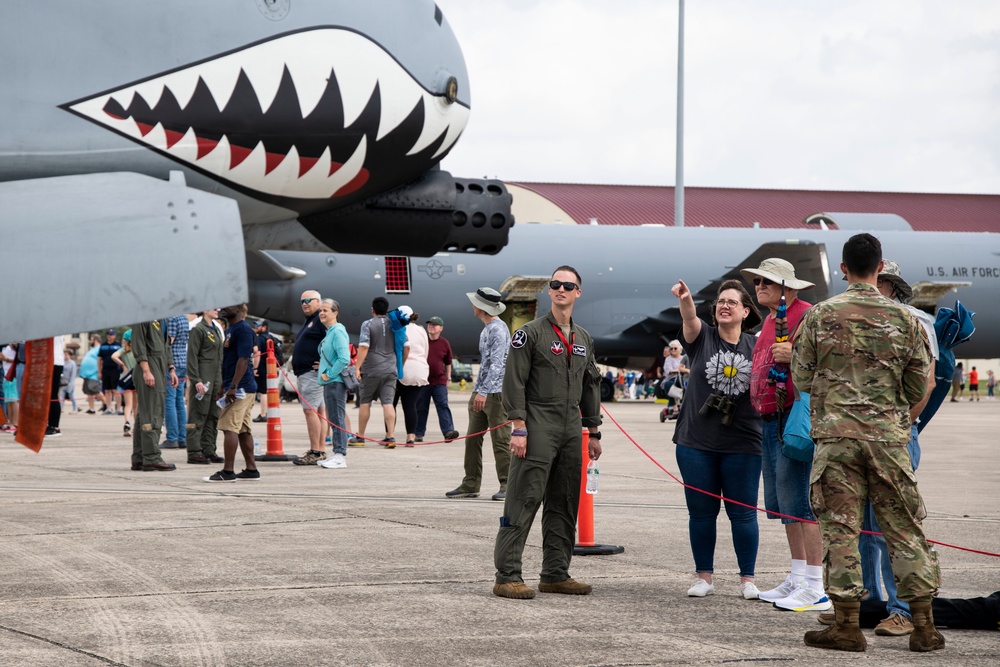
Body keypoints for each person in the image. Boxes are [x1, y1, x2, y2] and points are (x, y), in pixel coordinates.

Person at [792, 232, 943, 653]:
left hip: (837, 440)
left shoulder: (821, 315)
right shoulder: (906, 319)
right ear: (880, 268)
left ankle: (846, 627)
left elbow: (802, 377)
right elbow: (918, 385)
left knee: (840, 531)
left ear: (843, 269)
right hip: (888, 441)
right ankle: (924, 627)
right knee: (904, 529)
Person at [493, 266, 602, 600]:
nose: (561, 289)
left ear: (577, 293)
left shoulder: (583, 338)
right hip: (537, 423)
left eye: (568, 285)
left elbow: (591, 384)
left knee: (565, 501)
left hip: (571, 427)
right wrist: (519, 427)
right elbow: (514, 380)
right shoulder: (530, 333)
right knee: (525, 497)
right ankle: (507, 575)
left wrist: (594, 431)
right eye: (555, 284)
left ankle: (555, 573)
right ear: (549, 291)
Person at [739, 258, 828, 611]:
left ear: (787, 288)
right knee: (784, 505)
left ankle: (815, 584)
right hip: (770, 420)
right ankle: (797, 575)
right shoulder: (767, 322)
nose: (759, 286)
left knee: (802, 504)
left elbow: (829, 360)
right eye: (758, 281)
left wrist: (797, 355)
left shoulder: (807, 315)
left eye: (766, 282)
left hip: (792, 418)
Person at [670, 277, 763, 601]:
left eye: (732, 302)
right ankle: (704, 577)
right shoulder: (702, 338)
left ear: (746, 311)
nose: (724, 306)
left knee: (744, 513)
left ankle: (747, 580)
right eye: (720, 302)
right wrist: (685, 298)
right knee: (701, 513)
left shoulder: (757, 345)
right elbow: (689, 319)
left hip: (745, 443)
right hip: (697, 443)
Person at [446, 287, 512, 501]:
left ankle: (508, 485)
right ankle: (470, 483)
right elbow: (485, 364)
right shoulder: (487, 329)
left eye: (475, 303)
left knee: (501, 440)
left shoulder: (498, 330)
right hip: (482, 392)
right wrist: (477, 391)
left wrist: (482, 392)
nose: (472, 306)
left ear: (482, 307)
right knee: (472, 440)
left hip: (496, 393)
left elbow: (498, 365)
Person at [204, 304, 260, 482]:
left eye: (228, 305)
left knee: (229, 428)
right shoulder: (231, 329)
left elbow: (243, 359)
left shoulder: (242, 329)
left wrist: (233, 386)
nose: (222, 308)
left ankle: (227, 472)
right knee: (242, 429)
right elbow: (230, 360)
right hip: (237, 385)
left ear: (238, 308)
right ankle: (251, 470)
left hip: (241, 388)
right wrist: (223, 385)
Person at [354, 297, 405, 448]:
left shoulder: (367, 324)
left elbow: (363, 346)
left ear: (372, 310)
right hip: (390, 369)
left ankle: (361, 437)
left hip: (371, 369)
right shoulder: (395, 324)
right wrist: (400, 363)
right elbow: (405, 345)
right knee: (388, 403)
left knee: (365, 402)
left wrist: (357, 367)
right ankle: (390, 437)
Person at [130, 319, 178, 472]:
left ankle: (140, 457)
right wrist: (146, 370)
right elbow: (138, 344)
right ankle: (152, 457)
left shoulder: (162, 319)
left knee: (144, 415)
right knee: (153, 413)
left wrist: (171, 368)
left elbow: (166, 346)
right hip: (149, 366)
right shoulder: (143, 317)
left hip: (159, 366)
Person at [291, 290, 328, 465]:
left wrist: (325, 363)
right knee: (320, 411)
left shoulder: (320, 320)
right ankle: (320, 450)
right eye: (302, 301)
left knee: (310, 411)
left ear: (318, 302)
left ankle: (315, 451)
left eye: (308, 300)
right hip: (307, 373)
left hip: (311, 374)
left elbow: (334, 341)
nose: (304, 303)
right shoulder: (310, 321)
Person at [185, 308, 225, 465]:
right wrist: (196, 380)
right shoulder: (198, 329)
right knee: (198, 414)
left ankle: (208, 449)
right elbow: (192, 356)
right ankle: (194, 451)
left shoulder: (215, 328)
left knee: (213, 414)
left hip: (215, 377)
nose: (218, 310)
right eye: (214, 307)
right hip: (203, 376)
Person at [414, 316, 460, 443]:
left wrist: (448, 378)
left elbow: (448, 362)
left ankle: (448, 432)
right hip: (423, 380)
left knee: (443, 405)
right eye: (429, 324)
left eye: (434, 325)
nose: (431, 326)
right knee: (421, 407)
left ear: (441, 328)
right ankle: (418, 433)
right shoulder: (422, 341)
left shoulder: (444, 343)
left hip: (439, 380)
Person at [317, 299, 351, 468]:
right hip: (330, 382)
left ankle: (340, 455)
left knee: (337, 418)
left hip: (335, 382)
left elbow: (344, 358)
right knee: (333, 418)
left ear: (335, 313)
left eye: (325, 310)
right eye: (320, 310)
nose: (322, 313)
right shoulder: (330, 331)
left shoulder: (337, 331)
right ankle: (336, 453)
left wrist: (328, 374)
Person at [393, 307, 428, 445]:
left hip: (401, 369)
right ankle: (410, 437)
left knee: (391, 404)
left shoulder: (398, 328)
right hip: (419, 370)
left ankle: (389, 435)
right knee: (410, 405)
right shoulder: (421, 330)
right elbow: (426, 351)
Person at [162, 314, 190, 449]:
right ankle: (182, 438)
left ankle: (172, 438)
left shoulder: (172, 317)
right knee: (180, 401)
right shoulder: (184, 317)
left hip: (173, 363)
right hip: (183, 361)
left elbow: (169, 342)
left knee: (170, 401)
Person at [253, 319, 284, 423]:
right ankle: (271, 412)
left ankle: (263, 414)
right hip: (272, 369)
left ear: (264, 327)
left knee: (263, 392)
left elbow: (257, 353)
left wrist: (255, 368)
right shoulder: (271, 337)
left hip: (262, 368)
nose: (255, 327)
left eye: (258, 325)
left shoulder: (260, 339)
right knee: (270, 390)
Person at [111, 330, 137, 438]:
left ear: (126, 340)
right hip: (136, 378)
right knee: (137, 405)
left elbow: (113, 356)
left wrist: (122, 364)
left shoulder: (124, 350)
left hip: (126, 379)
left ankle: (127, 422)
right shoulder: (138, 350)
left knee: (128, 405)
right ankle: (136, 426)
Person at [97, 329, 122, 414]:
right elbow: (99, 359)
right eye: (108, 335)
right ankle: (109, 408)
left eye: (111, 335)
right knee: (107, 390)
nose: (109, 336)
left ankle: (118, 408)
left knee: (115, 390)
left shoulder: (118, 345)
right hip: (105, 370)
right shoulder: (103, 346)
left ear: (114, 336)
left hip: (115, 370)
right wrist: (99, 371)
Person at [79, 335, 106, 414]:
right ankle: (91, 408)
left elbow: (101, 360)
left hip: (94, 373)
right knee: (88, 391)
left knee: (95, 390)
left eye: (91, 339)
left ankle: (106, 405)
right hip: (87, 374)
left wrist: (100, 372)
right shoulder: (92, 349)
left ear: (96, 340)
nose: (90, 341)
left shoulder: (99, 348)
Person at [46, 335, 65, 437]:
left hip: (54, 362)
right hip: (49, 361)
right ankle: (49, 424)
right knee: (47, 396)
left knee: (52, 395)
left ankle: (54, 426)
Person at [1, 343, 18, 433]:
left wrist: (6, 359)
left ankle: (15, 423)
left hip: (13, 375)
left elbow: (19, 360)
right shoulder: (5, 347)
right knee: (8, 401)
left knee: (14, 400)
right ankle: (10, 422)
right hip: (6, 375)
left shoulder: (17, 347)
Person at [60, 349, 78, 413]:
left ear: (69, 355)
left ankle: (75, 409)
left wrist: (71, 384)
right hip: (63, 383)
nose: (65, 356)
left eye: (66, 354)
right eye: (64, 354)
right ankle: (60, 409)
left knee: (71, 396)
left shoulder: (72, 363)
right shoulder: (62, 362)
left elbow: (73, 375)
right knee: (61, 398)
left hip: (69, 383)